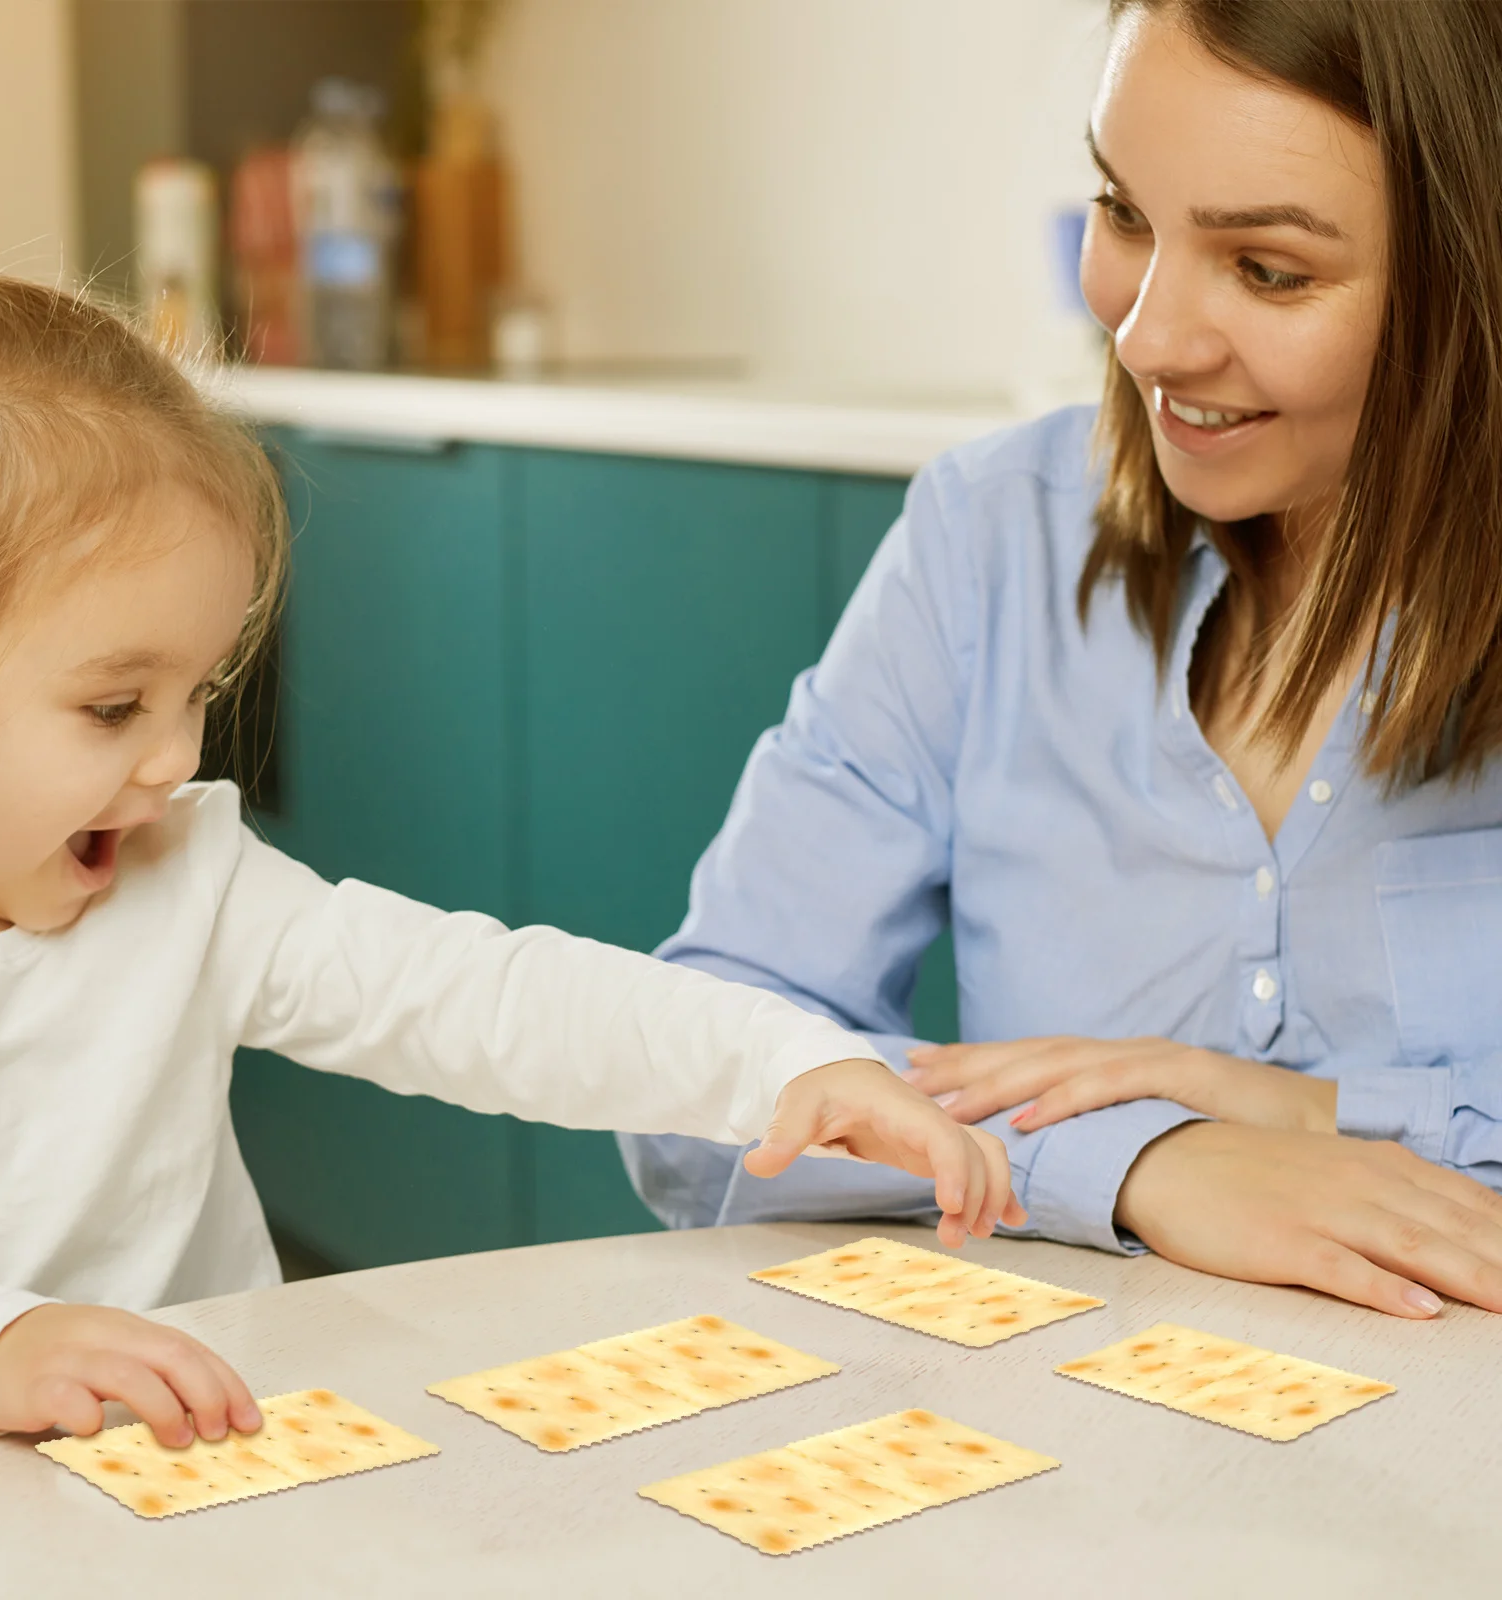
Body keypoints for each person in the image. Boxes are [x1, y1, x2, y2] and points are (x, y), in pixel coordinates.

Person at [0, 278, 1023, 1448]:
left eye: (200, 693)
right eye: (113, 704)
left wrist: (784, 1061)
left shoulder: (188, 878)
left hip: (211, 1492)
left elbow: (485, 997)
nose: (175, 756)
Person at [621, 0, 1502, 1323]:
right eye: (1125, 212)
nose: (1146, 336)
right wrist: (1142, 1158)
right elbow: (689, 1084)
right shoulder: (991, 538)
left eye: (1268, 270)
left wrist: (1319, 1114)